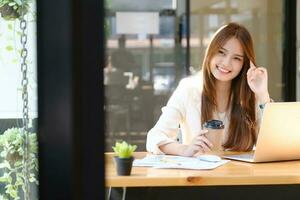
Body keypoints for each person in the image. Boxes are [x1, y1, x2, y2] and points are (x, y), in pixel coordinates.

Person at [146, 22, 272, 157]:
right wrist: (185, 149)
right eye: (221, 52)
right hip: (201, 176)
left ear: (245, 64)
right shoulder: (189, 89)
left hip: (242, 176)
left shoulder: (251, 94)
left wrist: (263, 95)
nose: (226, 63)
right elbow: (155, 137)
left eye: (237, 58)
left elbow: (273, 144)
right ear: (210, 52)